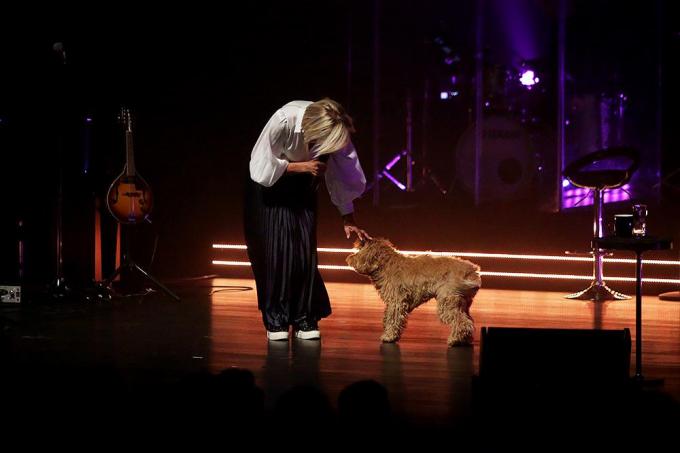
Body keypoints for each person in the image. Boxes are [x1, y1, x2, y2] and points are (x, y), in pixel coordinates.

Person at [244, 98, 371, 341]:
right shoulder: (284, 120)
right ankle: (276, 319)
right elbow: (260, 165)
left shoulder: (337, 130)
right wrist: (300, 166)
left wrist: (348, 216)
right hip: (270, 185)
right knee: (278, 252)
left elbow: (341, 174)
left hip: (303, 184)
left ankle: (304, 315)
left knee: (304, 253)